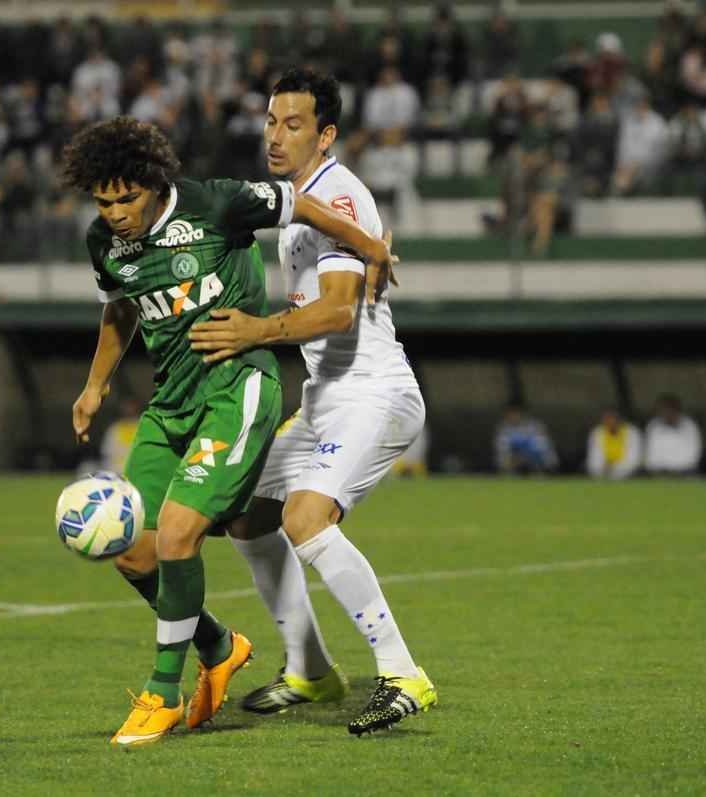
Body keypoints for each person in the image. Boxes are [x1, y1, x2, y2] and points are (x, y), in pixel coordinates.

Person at [63, 117, 395, 747]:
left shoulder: (215, 202)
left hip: (237, 387)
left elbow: (302, 203)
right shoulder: (103, 243)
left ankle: (163, 693)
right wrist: (95, 385)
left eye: (127, 199)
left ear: (155, 184)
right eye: (104, 203)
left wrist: (369, 246)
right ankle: (219, 645)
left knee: (179, 534)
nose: (116, 215)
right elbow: (121, 308)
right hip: (172, 404)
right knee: (131, 548)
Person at [187, 67, 437, 737]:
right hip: (327, 395)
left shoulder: (340, 192)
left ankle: (402, 671)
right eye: (271, 121)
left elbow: (333, 312)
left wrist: (255, 330)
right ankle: (312, 667)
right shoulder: (297, 200)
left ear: (325, 134)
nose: (276, 135)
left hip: (373, 389)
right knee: (247, 511)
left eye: (293, 124)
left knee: (305, 516)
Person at [643, 394, 702, 475]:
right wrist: (657, 469)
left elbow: (693, 456)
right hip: (660, 472)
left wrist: (675, 470)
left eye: (666, 410)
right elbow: (651, 455)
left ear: (676, 410)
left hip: (685, 472)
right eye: (660, 411)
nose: (664, 414)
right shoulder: (654, 426)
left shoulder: (689, 426)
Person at [495, 404, 558, 475]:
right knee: (503, 454)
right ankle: (509, 473)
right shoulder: (504, 428)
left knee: (542, 448)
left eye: (517, 413)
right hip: (514, 458)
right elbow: (502, 447)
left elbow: (542, 444)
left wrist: (527, 456)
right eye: (512, 414)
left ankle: (541, 472)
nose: (514, 416)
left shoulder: (534, 425)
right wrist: (516, 458)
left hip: (532, 457)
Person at [585, 408, 642, 480]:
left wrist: (615, 467)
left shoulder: (632, 433)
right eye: (606, 419)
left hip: (626, 474)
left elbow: (633, 460)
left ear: (619, 420)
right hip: (602, 473)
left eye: (612, 418)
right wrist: (603, 467)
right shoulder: (597, 433)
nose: (610, 422)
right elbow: (594, 459)